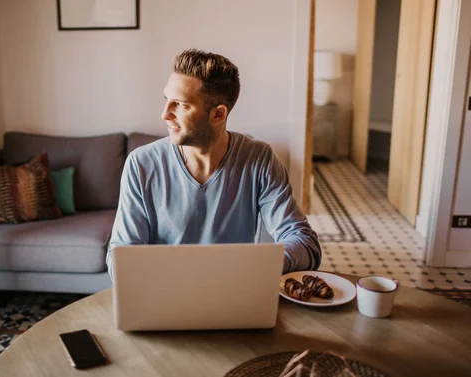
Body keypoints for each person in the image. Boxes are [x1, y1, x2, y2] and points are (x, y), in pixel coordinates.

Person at [106, 48, 321, 277]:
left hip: (235, 295)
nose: (165, 114)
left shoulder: (260, 159)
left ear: (218, 115)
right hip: (165, 297)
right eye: (167, 100)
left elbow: (305, 243)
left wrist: (253, 266)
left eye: (181, 104)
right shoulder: (141, 164)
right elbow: (120, 256)